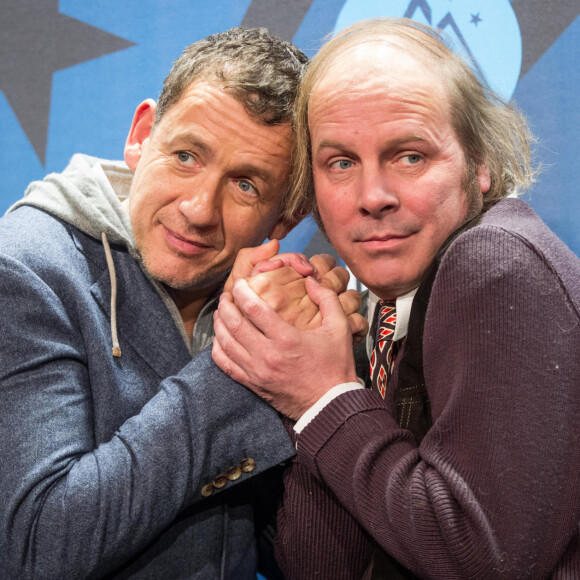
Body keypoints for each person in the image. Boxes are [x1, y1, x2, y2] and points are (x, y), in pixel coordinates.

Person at [212, 18, 580, 579]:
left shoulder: (495, 262)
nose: (374, 197)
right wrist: (309, 383)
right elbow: (322, 568)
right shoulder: (383, 313)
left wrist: (323, 395)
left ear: (479, 164)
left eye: (409, 156)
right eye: (341, 163)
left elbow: (482, 563)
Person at [0, 26, 361, 579]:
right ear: (143, 135)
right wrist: (240, 361)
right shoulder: (26, 268)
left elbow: (309, 560)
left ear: (286, 218)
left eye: (245, 185)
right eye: (187, 156)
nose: (198, 209)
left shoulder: (248, 295)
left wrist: (318, 384)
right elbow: (36, 548)